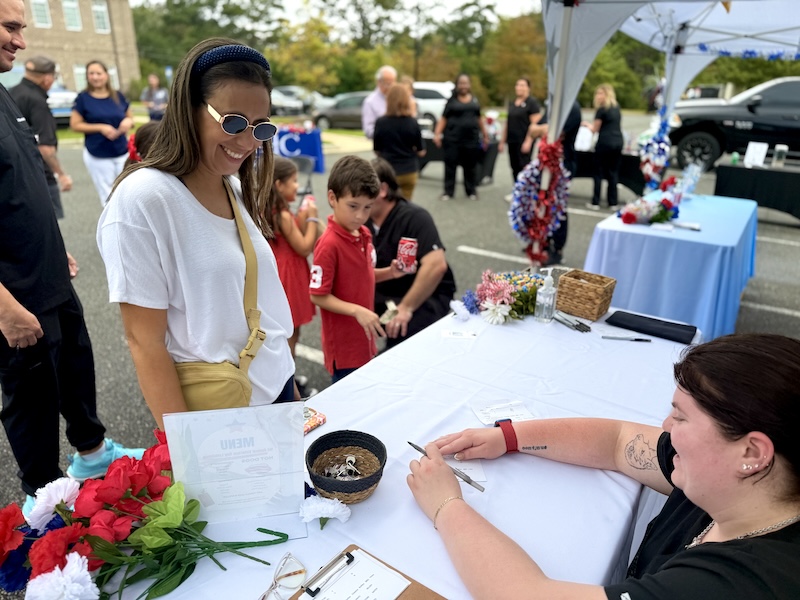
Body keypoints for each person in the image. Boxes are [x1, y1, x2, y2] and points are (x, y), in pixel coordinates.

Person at [407, 333, 800, 598]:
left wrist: (446, 505)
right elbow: (618, 441)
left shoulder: (739, 583)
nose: (665, 427)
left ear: (752, 453)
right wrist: (508, 437)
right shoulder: (732, 482)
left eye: (680, 418)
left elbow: (529, 594)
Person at [97, 38, 298, 430]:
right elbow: (144, 343)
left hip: (275, 386)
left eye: (261, 127)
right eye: (234, 122)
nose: (247, 142)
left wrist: (287, 390)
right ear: (188, 109)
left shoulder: (234, 187)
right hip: (222, 411)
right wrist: (186, 447)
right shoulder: (142, 200)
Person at [0, 0, 143, 517]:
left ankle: (92, 455)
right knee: (32, 398)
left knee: (76, 368)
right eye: (11, 27)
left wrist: (57, 250)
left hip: (50, 274)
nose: (20, 40)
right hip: (13, 292)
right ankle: (46, 503)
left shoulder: (5, 94)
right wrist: (3, 308)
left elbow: (21, 187)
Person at [309, 155, 406, 383]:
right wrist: (356, 311)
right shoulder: (329, 244)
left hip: (365, 339)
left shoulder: (363, 234)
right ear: (332, 198)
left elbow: (363, 275)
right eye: (353, 206)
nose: (361, 216)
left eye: (367, 208)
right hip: (344, 349)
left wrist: (390, 272)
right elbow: (317, 295)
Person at [369, 158, 456, 350]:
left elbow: (436, 265)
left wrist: (406, 308)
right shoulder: (362, 220)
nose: (358, 200)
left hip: (424, 295)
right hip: (387, 293)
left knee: (402, 335)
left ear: (382, 190)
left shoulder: (414, 217)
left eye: (364, 191)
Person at [265, 157, 320, 360]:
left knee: (280, 329)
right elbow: (304, 248)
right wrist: (312, 218)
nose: (298, 186)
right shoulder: (283, 215)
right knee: (292, 332)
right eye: (294, 181)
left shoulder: (266, 210)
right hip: (289, 275)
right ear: (279, 185)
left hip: (276, 269)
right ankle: (290, 381)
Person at [9, 55, 72, 219]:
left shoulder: (10, 94)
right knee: (50, 226)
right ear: (47, 78)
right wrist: (61, 174)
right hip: (40, 175)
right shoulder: (37, 101)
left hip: (15, 173)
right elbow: (45, 147)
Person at [522, 100, 583, 265]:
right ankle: (543, 241)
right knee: (541, 202)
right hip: (545, 163)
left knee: (557, 206)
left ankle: (557, 248)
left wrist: (541, 129)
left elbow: (556, 133)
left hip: (562, 163)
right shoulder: (554, 107)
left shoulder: (572, 108)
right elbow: (532, 129)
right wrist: (542, 129)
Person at [70, 60, 134, 206]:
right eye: (91, 74)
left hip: (122, 151)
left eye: (98, 73)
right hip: (98, 153)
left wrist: (127, 122)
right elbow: (75, 125)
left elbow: (130, 118)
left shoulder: (118, 96)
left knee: (128, 190)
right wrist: (100, 128)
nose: (95, 77)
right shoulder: (83, 99)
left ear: (106, 75)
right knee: (109, 196)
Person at [433, 73, 489, 202]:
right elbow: (443, 119)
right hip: (452, 140)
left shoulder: (474, 100)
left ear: (469, 85)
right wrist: (437, 134)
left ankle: (471, 191)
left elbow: (479, 118)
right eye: (461, 83)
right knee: (450, 166)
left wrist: (485, 134)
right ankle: (448, 192)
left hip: (471, 140)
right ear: (457, 85)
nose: (463, 86)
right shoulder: (451, 101)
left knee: (470, 167)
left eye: (466, 83)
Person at [373, 83, 425, 201]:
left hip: (387, 172)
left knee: (387, 206)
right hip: (409, 170)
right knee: (405, 207)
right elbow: (421, 151)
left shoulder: (381, 122)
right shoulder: (412, 122)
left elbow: (377, 149)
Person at [498, 77, 541, 199]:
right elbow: (507, 123)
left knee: (524, 166)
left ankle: (527, 193)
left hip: (524, 140)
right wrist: (502, 141)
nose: (519, 87)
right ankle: (517, 190)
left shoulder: (532, 103)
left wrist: (528, 141)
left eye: (522, 85)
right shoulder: (513, 103)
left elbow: (535, 124)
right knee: (514, 166)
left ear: (528, 88)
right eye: (517, 85)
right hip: (512, 140)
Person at [582, 83, 623, 209]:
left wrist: (586, 125)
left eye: (600, 93)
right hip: (618, 142)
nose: (598, 96)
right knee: (613, 172)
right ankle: (612, 201)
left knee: (598, 172)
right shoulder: (617, 108)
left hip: (605, 142)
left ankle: (596, 201)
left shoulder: (602, 110)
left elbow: (595, 129)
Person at [361, 65, 397, 139]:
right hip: (382, 147)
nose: (390, 87)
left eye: (392, 83)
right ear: (378, 82)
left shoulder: (400, 98)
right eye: (387, 84)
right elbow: (368, 130)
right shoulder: (370, 102)